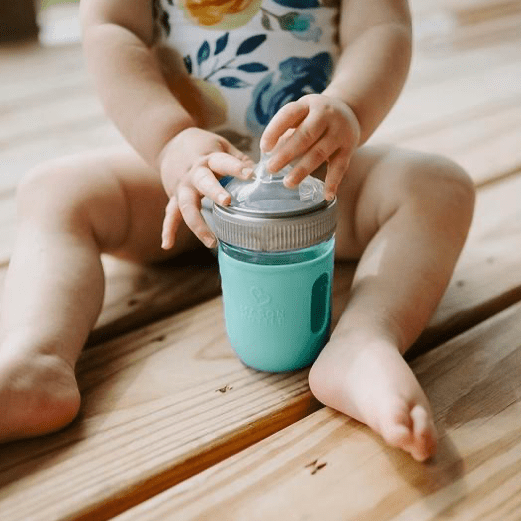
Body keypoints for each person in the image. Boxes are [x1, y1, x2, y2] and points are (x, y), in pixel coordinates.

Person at [0, 0, 474, 461]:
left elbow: (381, 27)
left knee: (438, 186)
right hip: (176, 182)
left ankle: (364, 340)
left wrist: (347, 105)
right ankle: (37, 356)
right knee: (53, 188)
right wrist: (169, 141)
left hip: (310, 184)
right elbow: (112, 28)